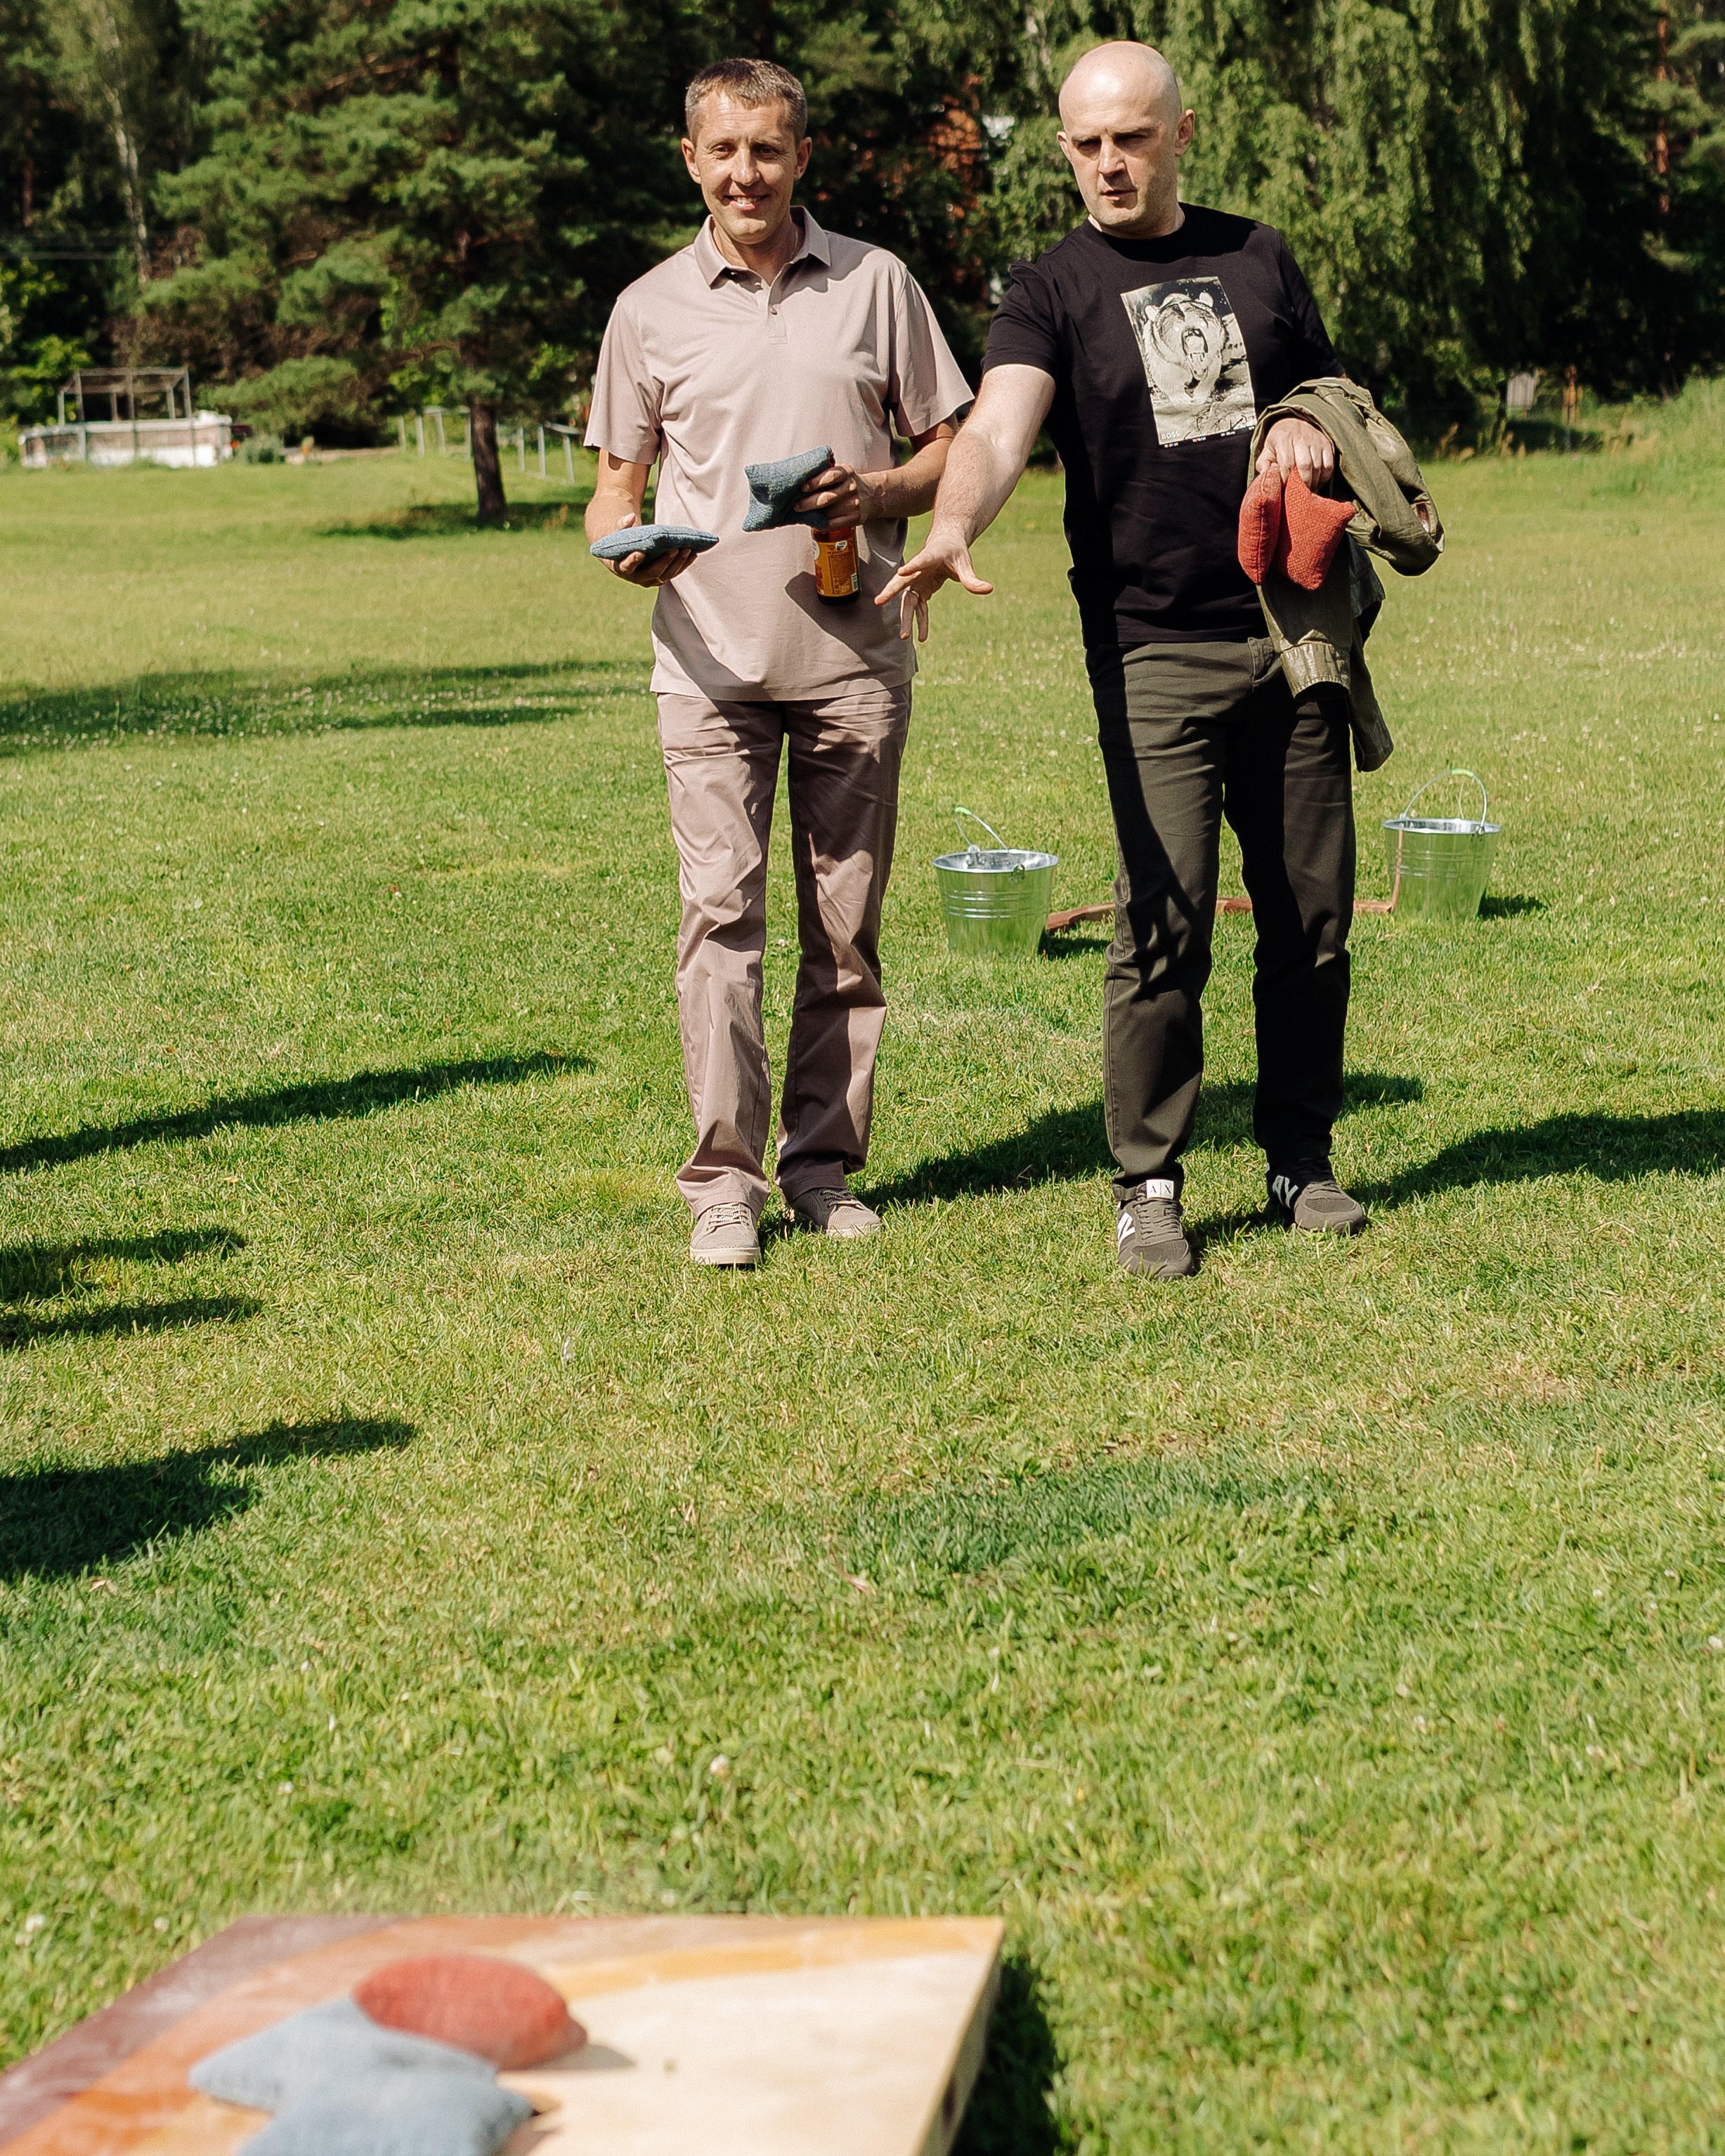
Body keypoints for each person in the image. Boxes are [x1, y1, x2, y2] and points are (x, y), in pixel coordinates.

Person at [880, 41, 1367, 1280]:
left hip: (1293, 625)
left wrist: (1310, 417)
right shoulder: (1049, 288)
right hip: (1153, 643)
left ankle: (1300, 1159)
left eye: (1131, 139)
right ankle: (1148, 1181)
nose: (1108, 162)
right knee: (1166, 915)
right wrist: (951, 524)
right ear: (1064, 149)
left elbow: (1327, 383)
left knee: (1312, 914)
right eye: (1086, 143)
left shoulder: (1259, 254)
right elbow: (998, 423)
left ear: (1180, 133)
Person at [585, 58, 970, 1269]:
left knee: (845, 930)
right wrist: (624, 549)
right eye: (723, 150)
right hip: (707, 663)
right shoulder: (647, 308)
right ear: (689, 160)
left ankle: (820, 1167)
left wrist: (878, 489)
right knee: (720, 918)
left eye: (768, 149)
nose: (745, 171)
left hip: (855, 657)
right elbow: (612, 488)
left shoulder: (878, 284)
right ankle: (723, 1185)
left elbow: (952, 451)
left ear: (803, 157)